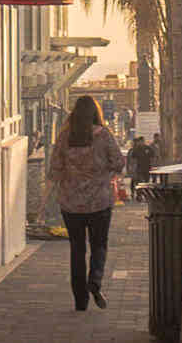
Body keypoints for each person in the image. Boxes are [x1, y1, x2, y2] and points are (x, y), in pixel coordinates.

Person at [50, 96, 125, 312]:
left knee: (77, 249)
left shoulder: (65, 137)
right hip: (99, 201)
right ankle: (95, 280)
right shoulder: (104, 135)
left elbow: (55, 169)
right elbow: (119, 162)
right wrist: (104, 172)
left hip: (71, 203)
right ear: (95, 113)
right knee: (99, 244)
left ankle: (80, 300)